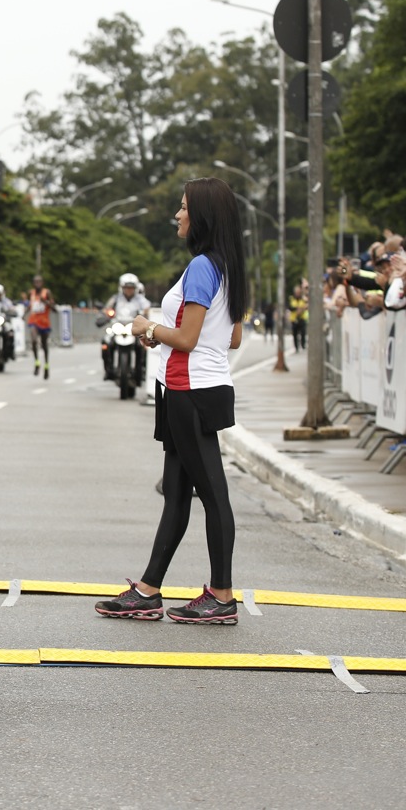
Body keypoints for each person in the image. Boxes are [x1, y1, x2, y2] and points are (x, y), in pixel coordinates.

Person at [95, 178, 247, 625]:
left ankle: (221, 595)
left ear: (200, 216)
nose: (177, 216)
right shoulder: (226, 265)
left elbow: (186, 337)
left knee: (213, 495)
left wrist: (148, 327)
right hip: (192, 385)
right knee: (177, 495)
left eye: (182, 208)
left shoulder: (202, 266)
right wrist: (159, 340)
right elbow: (231, 337)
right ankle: (148, 590)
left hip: (190, 391)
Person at [98, 272, 150, 385]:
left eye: (131, 288)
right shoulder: (116, 299)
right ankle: (108, 369)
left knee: (143, 346)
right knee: (106, 343)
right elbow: (107, 309)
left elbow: (147, 308)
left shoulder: (140, 299)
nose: (129, 290)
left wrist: (146, 314)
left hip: (134, 329)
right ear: (122, 287)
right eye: (127, 287)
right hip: (118, 327)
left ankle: (141, 370)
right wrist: (104, 316)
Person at [25, 274, 55, 379]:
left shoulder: (47, 293)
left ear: (42, 283)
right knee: (33, 340)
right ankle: (37, 362)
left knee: (44, 345)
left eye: (39, 282)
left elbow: (54, 308)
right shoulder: (31, 293)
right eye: (35, 282)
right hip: (34, 321)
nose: (37, 284)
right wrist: (23, 314)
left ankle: (46, 365)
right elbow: (30, 305)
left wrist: (45, 302)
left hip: (44, 322)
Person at [288, 281, 308, 351]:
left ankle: (303, 345)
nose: (298, 294)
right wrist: (296, 309)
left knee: (303, 332)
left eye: (299, 292)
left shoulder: (303, 298)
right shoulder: (291, 299)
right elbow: (289, 307)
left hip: (302, 317)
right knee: (295, 333)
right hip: (294, 318)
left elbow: (307, 305)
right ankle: (296, 347)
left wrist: (302, 309)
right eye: (297, 292)